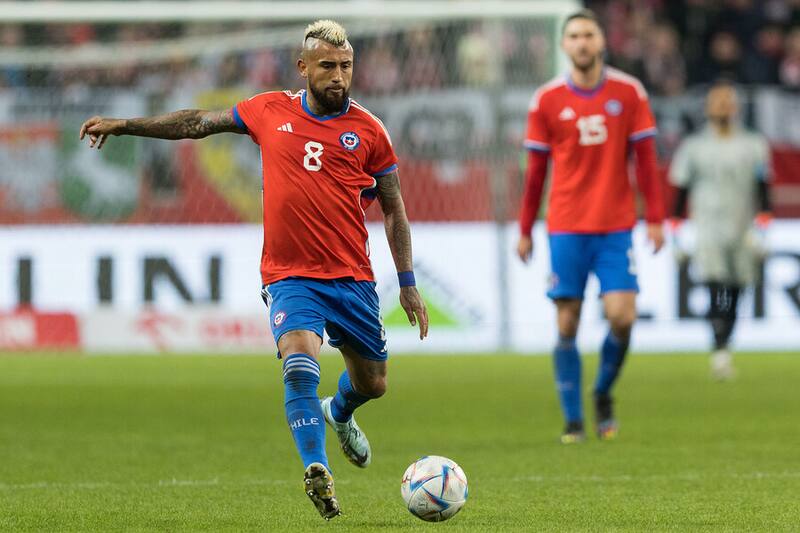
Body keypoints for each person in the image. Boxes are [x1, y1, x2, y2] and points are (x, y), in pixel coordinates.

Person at [79, 20, 428, 520]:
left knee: (373, 383)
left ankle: (339, 411)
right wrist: (128, 125)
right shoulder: (268, 110)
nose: (338, 77)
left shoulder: (370, 131)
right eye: (327, 66)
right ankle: (317, 469)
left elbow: (393, 207)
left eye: (346, 67)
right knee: (299, 363)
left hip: (352, 277)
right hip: (289, 274)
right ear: (303, 67)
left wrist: (409, 283)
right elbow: (198, 122)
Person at [516, 9, 665, 444]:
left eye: (589, 35)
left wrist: (655, 218)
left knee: (622, 317)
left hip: (616, 225)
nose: (582, 42)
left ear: (602, 43)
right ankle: (574, 421)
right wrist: (525, 228)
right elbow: (534, 174)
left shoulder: (629, 92)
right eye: (575, 36)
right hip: (565, 225)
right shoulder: (546, 100)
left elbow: (647, 163)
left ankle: (601, 391)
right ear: (564, 45)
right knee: (567, 323)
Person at [669, 81, 771, 381]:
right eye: (718, 101)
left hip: (742, 227)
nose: (724, 106)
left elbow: (764, 191)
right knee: (715, 288)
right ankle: (719, 349)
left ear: (737, 107)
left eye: (729, 100)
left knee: (739, 289)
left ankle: (725, 344)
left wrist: (763, 230)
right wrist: (676, 235)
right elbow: (679, 194)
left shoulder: (754, 145)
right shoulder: (694, 146)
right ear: (709, 107)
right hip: (709, 227)